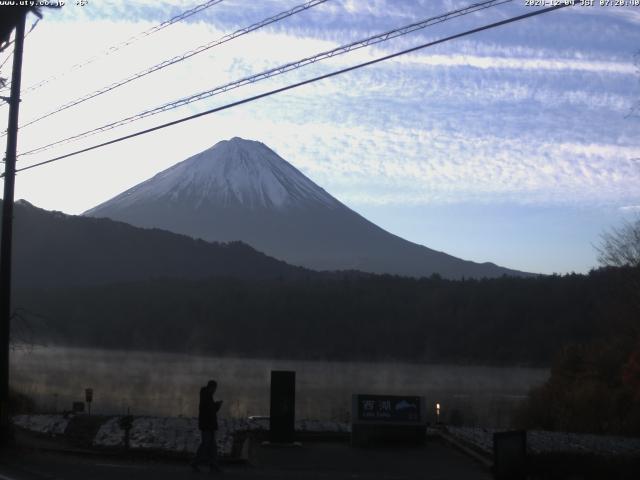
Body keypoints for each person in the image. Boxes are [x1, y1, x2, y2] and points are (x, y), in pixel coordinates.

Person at [191, 380, 223, 473]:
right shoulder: (206, 396)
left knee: (211, 446)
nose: (215, 390)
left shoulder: (206, 395)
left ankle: (213, 465)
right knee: (206, 445)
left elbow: (210, 409)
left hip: (209, 424)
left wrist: (216, 405)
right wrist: (217, 405)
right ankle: (196, 462)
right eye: (214, 388)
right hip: (207, 425)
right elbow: (210, 410)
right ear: (211, 387)